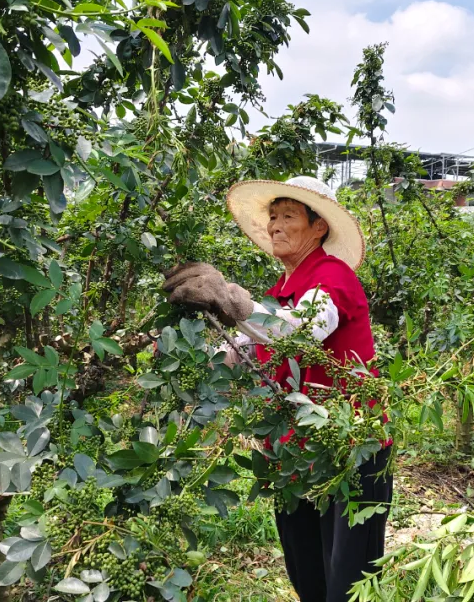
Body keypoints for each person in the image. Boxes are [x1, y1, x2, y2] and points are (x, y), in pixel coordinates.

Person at [162, 176, 391, 602]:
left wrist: (235, 302)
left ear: (318, 226)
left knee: (347, 582)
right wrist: (178, 356)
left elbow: (298, 333)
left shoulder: (333, 278)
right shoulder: (281, 293)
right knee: (308, 577)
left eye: (288, 216)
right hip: (295, 459)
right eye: (272, 216)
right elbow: (244, 352)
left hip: (350, 452)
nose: (275, 226)